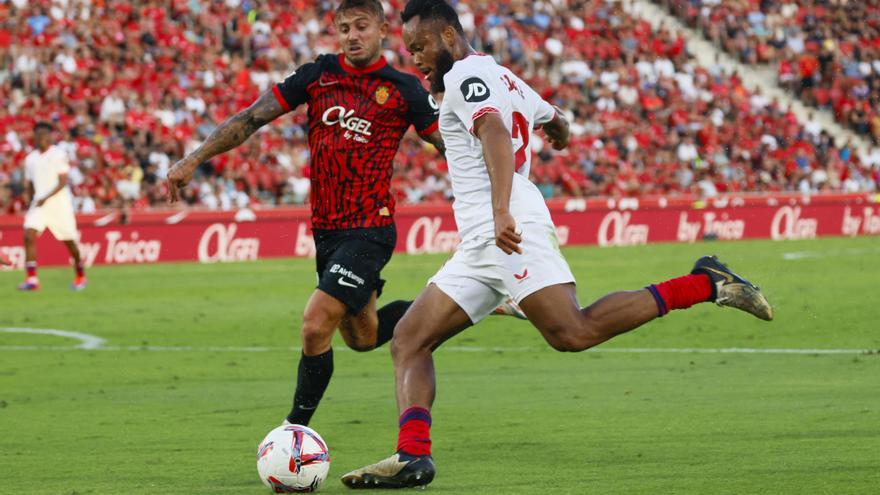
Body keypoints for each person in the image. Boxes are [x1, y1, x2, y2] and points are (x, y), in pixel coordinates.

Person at [340, 0, 774, 489]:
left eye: (419, 46)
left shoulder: (464, 77)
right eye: (409, 49)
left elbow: (494, 131)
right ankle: (412, 455)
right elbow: (557, 119)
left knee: (573, 332)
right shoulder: (503, 77)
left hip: (508, 225)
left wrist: (501, 209)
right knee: (409, 338)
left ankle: (704, 283)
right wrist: (558, 133)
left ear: (447, 37)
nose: (415, 58)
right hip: (481, 241)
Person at [166, 0, 523, 428]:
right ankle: (473, 300)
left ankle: (294, 431)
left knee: (316, 323)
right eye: (345, 28)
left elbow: (456, 145)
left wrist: (502, 198)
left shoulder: (404, 89)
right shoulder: (318, 75)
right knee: (363, 335)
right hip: (327, 231)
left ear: (382, 30)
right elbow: (252, 117)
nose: (353, 35)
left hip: (370, 229)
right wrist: (194, 158)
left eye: (362, 26)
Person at [18, 122, 87, 291]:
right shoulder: (30, 158)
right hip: (39, 204)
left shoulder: (58, 154)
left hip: (59, 205)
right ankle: (32, 279)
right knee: (28, 235)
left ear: (49, 136)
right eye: (38, 134)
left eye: (43, 134)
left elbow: (62, 182)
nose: (40, 137)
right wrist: (29, 197)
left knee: (70, 242)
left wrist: (45, 197)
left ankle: (80, 275)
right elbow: (30, 183)